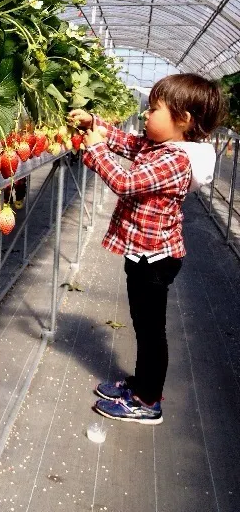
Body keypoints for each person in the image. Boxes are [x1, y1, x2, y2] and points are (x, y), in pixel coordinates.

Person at [69, 73, 226, 425]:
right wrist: (96, 125)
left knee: (152, 331)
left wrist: (94, 149)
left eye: (154, 109)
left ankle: (147, 401)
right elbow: (128, 143)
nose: (145, 115)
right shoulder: (162, 148)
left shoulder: (177, 161)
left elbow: (125, 183)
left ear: (183, 119)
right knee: (143, 325)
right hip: (145, 252)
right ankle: (140, 385)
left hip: (155, 259)